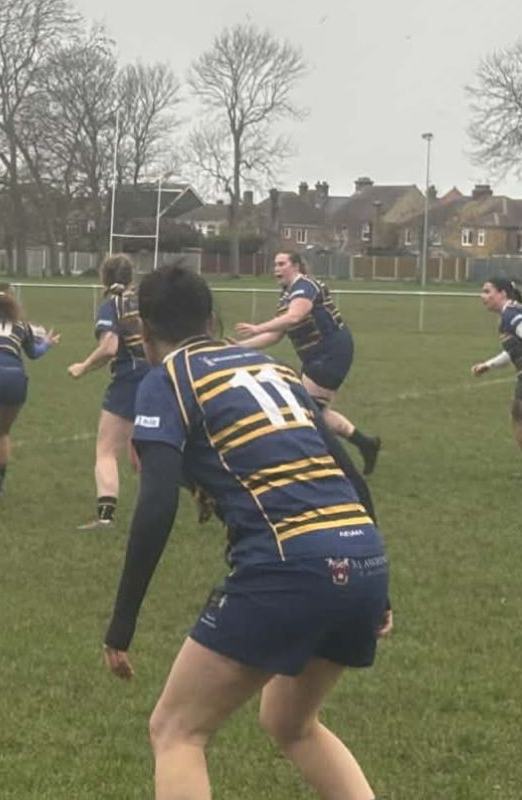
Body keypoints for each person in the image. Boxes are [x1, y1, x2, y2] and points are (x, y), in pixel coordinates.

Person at [103, 264, 391, 800]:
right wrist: (379, 588)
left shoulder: (167, 378)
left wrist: (122, 623)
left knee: (176, 730)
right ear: (212, 318)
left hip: (288, 563)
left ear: (144, 333)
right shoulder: (276, 369)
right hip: (363, 556)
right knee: (290, 722)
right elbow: (349, 475)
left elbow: (156, 501)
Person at [235, 251, 381, 475]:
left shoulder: (305, 286)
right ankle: (365, 444)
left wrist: (257, 327)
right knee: (317, 411)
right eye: (275, 264)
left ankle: (331, 464)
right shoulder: (287, 295)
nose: (277, 269)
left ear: (295, 266)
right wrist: (237, 348)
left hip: (331, 351)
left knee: (308, 411)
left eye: (282, 264)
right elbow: (275, 335)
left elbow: (294, 317)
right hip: (316, 356)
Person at [68, 254, 150, 529]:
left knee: (105, 450)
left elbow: (110, 347)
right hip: (162, 376)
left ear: (104, 277)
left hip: (131, 378)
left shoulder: (112, 306)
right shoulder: (146, 300)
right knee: (146, 448)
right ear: (131, 277)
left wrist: (83, 366)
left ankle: (105, 517)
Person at [0, 281, 59, 507]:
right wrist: (46, 343)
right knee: (1, 433)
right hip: (16, 374)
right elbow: (34, 353)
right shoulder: (21, 325)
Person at [471, 277, 522, 448]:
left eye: (487, 291)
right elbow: (513, 351)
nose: (482, 296)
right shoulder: (508, 316)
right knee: (517, 413)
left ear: (502, 293)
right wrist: (489, 364)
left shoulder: (512, 315)